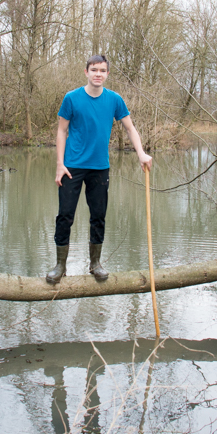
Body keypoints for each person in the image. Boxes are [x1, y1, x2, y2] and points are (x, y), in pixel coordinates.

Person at [46, 54, 153, 285]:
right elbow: (61, 131)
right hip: (72, 167)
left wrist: (141, 153)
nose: (98, 74)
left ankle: (95, 264)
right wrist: (59, 164)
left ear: (107, 74)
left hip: (100, 168)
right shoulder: (71, 98)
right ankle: (60, 265)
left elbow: (130, 129)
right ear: (86, 72)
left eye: (102, 70)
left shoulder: (114, 100)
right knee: (65, 215)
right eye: (94, 70)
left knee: (98, 216)